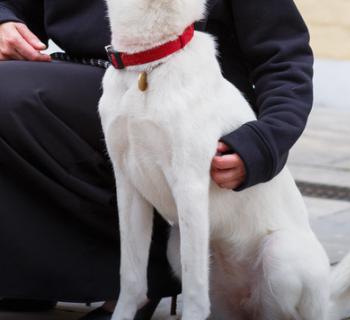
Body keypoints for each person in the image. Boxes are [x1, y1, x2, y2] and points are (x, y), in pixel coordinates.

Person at [0, 0, 314, 319]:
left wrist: (265, 141)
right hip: (98, 74)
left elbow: (284, 55)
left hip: (193, 95)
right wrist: (4, 22)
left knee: (12, 92)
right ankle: (32, 276)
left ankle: (139, 280)